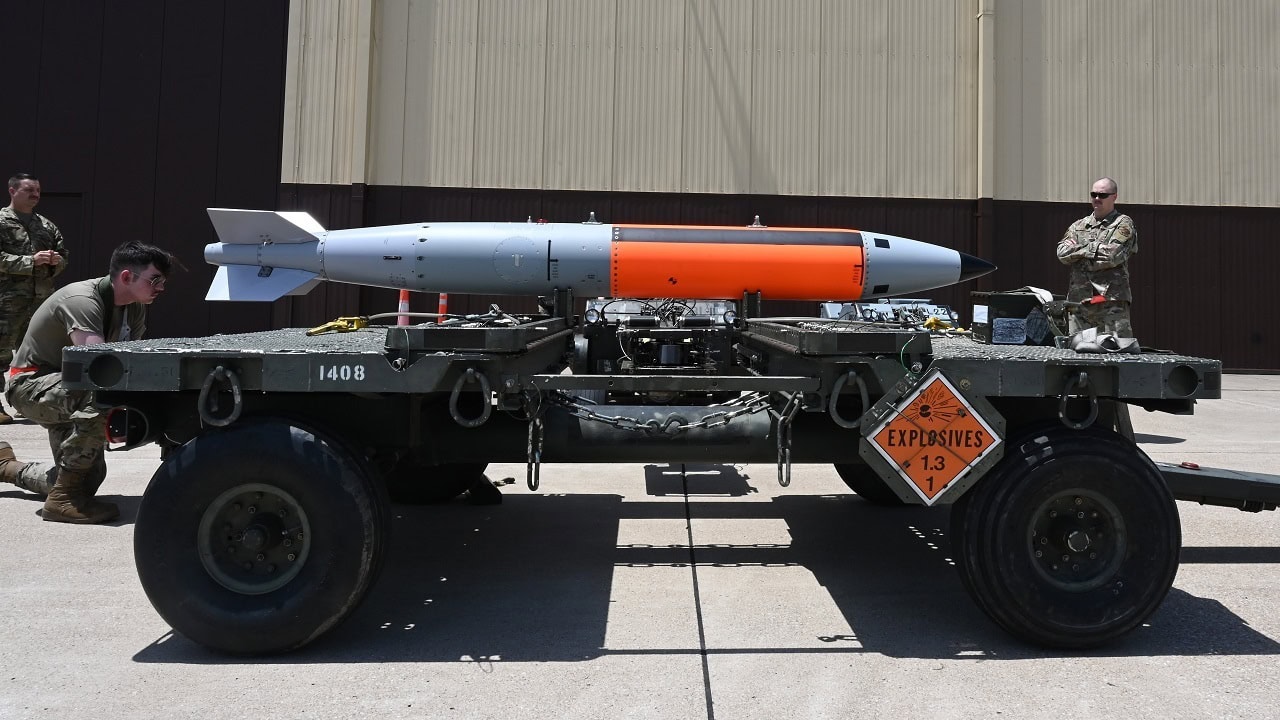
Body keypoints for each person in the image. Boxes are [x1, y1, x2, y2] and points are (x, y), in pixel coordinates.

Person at [1, 240, 173, 524]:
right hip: (30, 385)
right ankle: (61, 501)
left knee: (89, 479)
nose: (161, 288)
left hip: (65, 388)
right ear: (127, 277)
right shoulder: (82, 300)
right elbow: (96, 370)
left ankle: (7, 467)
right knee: (102, 394)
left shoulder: (135, 307)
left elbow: (133, 362)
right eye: (155, 280)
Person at [0, 173, 68, 424]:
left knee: (35, 355)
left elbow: (63, 254)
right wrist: (30, 261)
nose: (35, 195)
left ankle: (26, 401)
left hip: (40, 301)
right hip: (6, 301)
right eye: (29, 190)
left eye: (38, 190)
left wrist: (56, 261)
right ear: (12, 191)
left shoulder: (46, 225)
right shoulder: (2, 221)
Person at [1056, 177, 1137, 337]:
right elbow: (1061, 253)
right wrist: (1094, 250)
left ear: (1114, 197)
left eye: (1102, 195)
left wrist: (1078, 252)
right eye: (1094, 194)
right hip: (1079, 303)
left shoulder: (1123, 224)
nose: (1097, 199)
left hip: (1110, 303)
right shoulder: (1078, 226)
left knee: (1115, 352)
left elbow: (1113, 256)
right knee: (1078, 355)